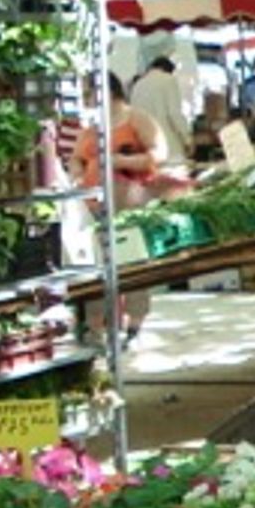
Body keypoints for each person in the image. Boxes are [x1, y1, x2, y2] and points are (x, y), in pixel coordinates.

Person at [71, 75, 166, 343]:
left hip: (129, 199)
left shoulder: (136, 118)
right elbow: (77, 159)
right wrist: (78, 173)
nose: (86, 97)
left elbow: (159, 153)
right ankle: (97, 323)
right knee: (97, 263)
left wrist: (121, 160)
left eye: (89, 91)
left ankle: (135, 321)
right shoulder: (93, 126)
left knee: (131, 259)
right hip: (94, 205)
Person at [129, 56, 193, 165]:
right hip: (169, 148)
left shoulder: (138, 85)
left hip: (145, 149)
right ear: (169, 70)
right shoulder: (168, 80)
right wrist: (187, 139)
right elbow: (174, 114)